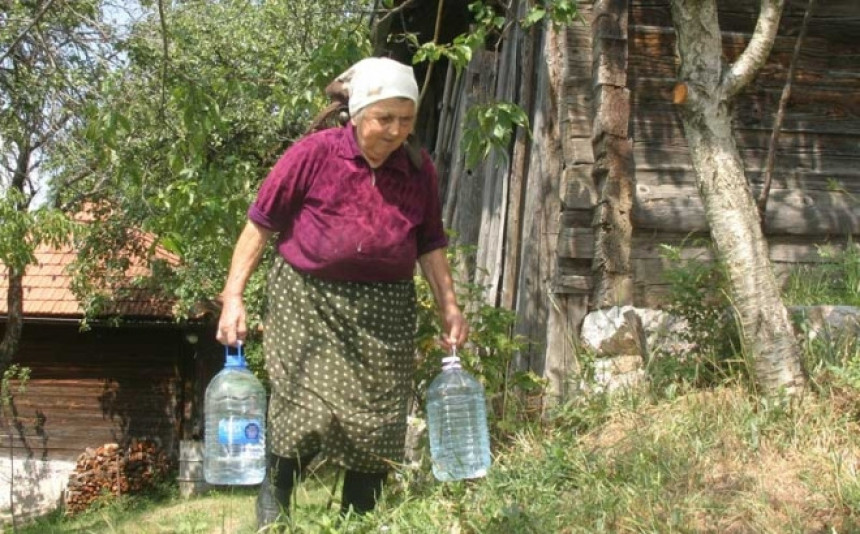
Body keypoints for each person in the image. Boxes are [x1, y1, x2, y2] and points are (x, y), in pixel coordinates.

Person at [215, 57, 468, 529]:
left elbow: (430, 242)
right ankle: (274, 515)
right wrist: (234, 296)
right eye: (385, 119)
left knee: (377, 420)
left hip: (385, 309)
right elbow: (260, 225)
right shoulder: (313, 155)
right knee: (299, 408)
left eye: (406, 120)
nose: (395, 131)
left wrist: (448, 306)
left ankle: (358, 521)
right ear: (356, 114)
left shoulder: (418, 169)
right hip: (308, 301)